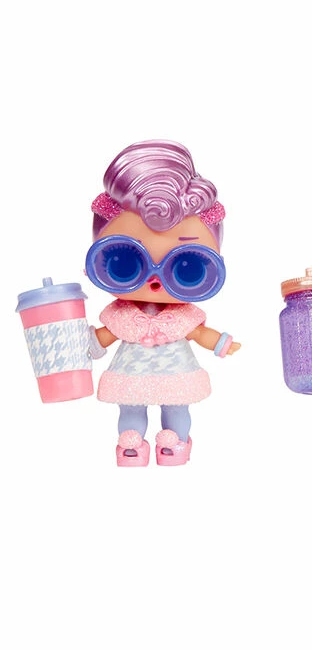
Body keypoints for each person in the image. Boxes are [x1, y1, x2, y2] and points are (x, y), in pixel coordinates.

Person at [86, 140, 240, 466]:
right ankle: (131, 443)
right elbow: (106, 335)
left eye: (187, 267)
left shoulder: (182, 315)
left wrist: (222, 343)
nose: (155, 281)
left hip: (175, 371)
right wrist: (84, 343)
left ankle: (175, 442)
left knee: (176, 407)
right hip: (131, 373)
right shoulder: (122, 314)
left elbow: (199, 333)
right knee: (130, 409)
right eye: (124, 263)